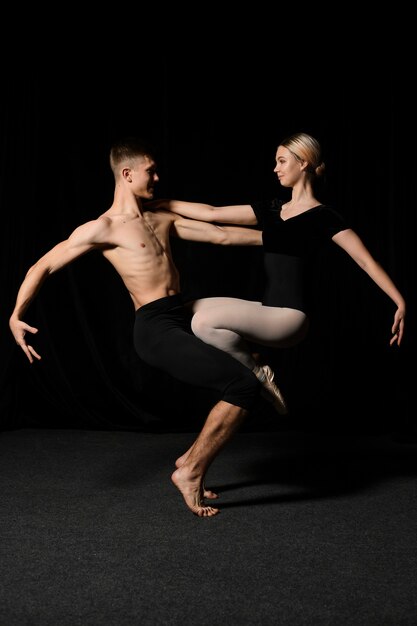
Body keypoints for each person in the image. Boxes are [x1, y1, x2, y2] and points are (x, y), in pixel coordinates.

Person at [9, 136, 281, 518]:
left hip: (182, 315)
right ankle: (190, 471)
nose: (157, 176)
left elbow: (220, 234)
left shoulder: (160, 216)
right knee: (242, 386)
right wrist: (16, 315)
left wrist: (285, 240)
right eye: (150, 170)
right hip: (154, 329)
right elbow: (43, 266)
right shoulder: (103, 228)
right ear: (127, 173)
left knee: (244, 367)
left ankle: (191, 460)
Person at [148, 132, 406, 409]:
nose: (276, 168)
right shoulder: (273, 210)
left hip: (291, 318)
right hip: (268, 310)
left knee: (203, 322)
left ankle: (258, 374)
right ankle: (252, 363)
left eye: (282, 161)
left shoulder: (324, 217)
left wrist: (400, 302)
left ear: (304, 162)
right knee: (187, 311)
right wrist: (166, 204)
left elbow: (366, 261)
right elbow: (213, 213)